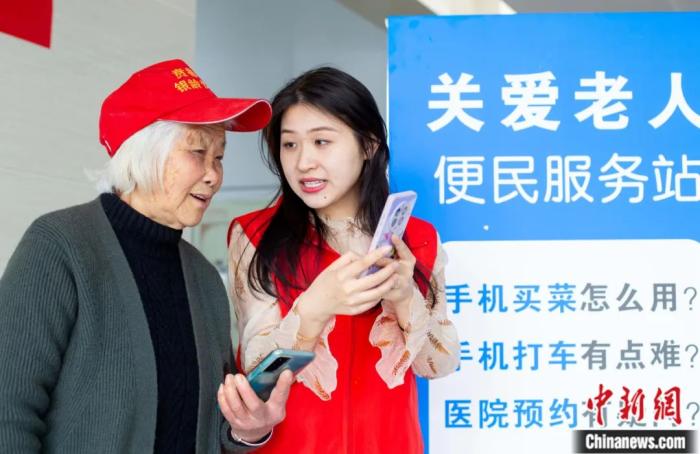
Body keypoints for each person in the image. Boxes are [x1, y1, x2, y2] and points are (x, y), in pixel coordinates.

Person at [0, 59, 292, 453]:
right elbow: (8, 412)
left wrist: (248, 431)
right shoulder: (59, 246)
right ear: (143, 152)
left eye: (219, 157)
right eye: (197, 151)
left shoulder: (204, 277)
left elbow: (210, 428)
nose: (213, 175)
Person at [227, 67, 460, 453]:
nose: (303, 162)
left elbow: (439, 365)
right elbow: (257, 374)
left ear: (368, 145)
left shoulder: (418, 239)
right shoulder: (254, 235)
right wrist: (314, 309)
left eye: (322, 141)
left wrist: (405, 298)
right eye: (290, 144)